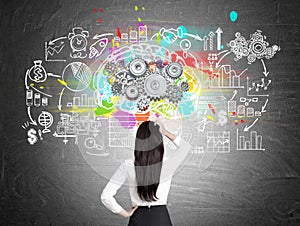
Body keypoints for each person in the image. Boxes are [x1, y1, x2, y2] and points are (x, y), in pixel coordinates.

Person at [101, 120, 191, 226]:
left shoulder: (128, 165)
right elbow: (186, 147)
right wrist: (165, 132)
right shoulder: (168, 163)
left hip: (138, 218)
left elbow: (105, 196)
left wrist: (125, 213)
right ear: (159, 140)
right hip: (161, 218)